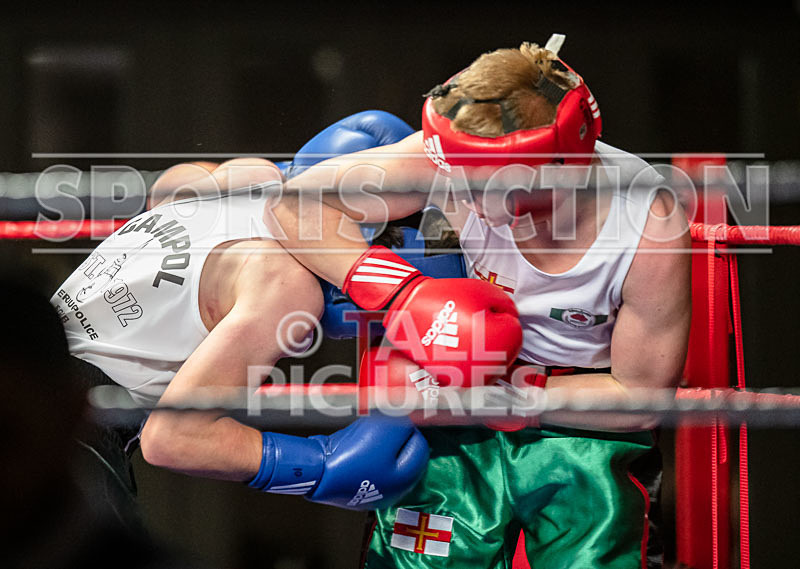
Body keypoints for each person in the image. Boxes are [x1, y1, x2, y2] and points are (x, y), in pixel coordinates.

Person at [267, 35, 691, 568]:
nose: (469, 202)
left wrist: (510, 396)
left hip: (583, 421)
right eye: (461, 181)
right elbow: (291, 204)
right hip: (452, 390)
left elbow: (641, 394)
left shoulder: (647, 222)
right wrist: (401, 294)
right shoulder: (443, 161)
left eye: (496, 186)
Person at [50, 111, 523, 532]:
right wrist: (321, 468)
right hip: (69, 435)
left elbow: (168, 187)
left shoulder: (242, 178)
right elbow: (174, 439)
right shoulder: (282, 285)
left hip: (28, 361)